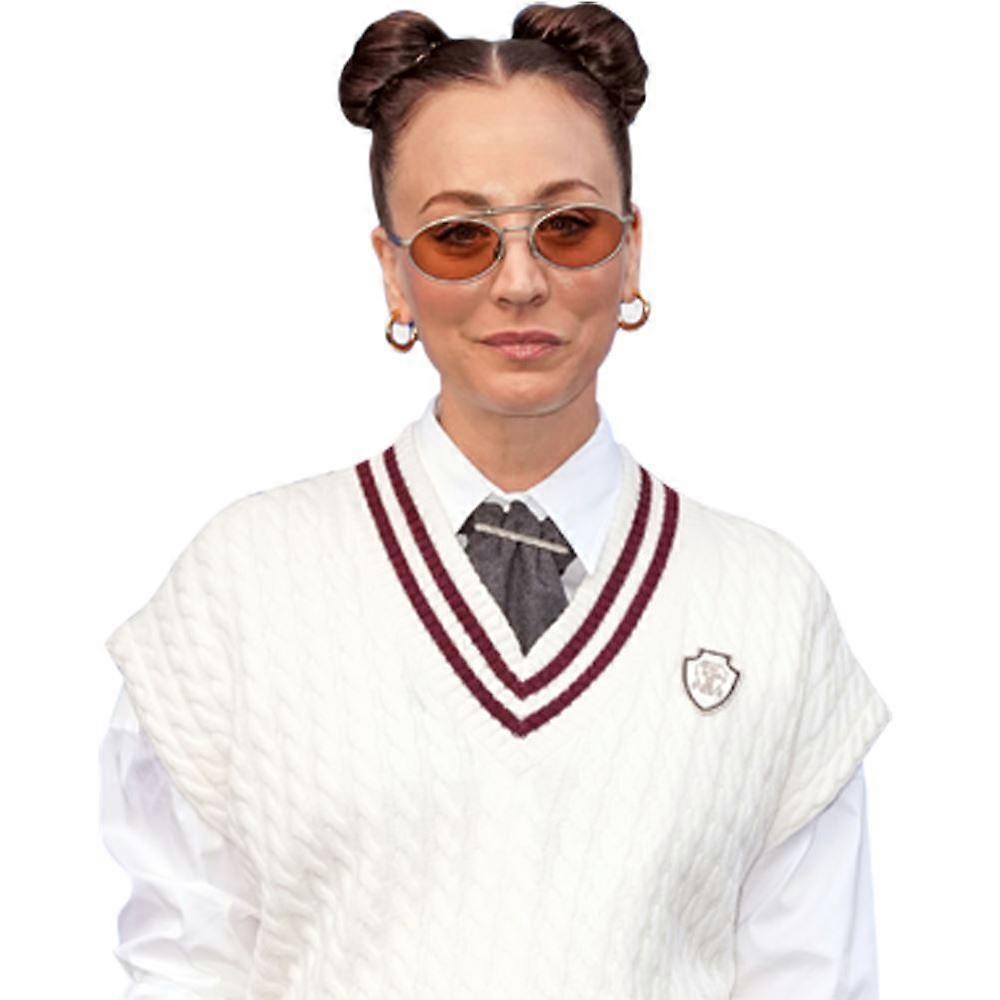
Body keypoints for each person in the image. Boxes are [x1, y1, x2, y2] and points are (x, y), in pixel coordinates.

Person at [100, 4, 892, 998]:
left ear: (631, 251)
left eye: (569, 227)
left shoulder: (765, 603)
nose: (519, 281)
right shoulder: (241, 589)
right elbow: (182, 969)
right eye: (459, 237)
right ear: (393, 271)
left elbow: (811, 980)